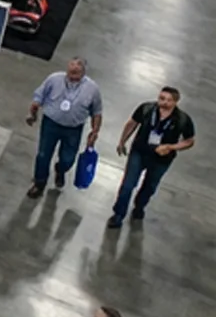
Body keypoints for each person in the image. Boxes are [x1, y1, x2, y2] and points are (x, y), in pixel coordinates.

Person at [108, 85, 195, 227]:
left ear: (175, 102)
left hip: (162, 159)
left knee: (150, 186)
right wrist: (122, 141)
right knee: (127, 185)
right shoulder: (146, 109)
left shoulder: (182, 120)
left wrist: (171, 147)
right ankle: (118, 214)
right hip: (139, 153)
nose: (164, 102)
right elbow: (132, 123)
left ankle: (139, 206)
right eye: (162, 98)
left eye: (168, 100)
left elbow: (190, 141)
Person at [25, 57, 103, 198]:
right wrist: (33, 113)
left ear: (84, 73)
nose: (73, 73)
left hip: (73, 129)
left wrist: (95, 131)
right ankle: (39, 183)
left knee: (68, 159)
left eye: (77, 72)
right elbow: (39, 96)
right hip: (51, 124)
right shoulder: (54, 79)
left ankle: (60, 169)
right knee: (43, 155)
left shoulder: (92, 89)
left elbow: (97, 111)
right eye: (71, 70)